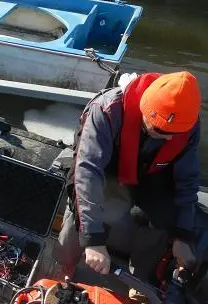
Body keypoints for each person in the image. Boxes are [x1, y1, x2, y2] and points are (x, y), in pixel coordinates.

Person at [57, 71, 201, 281]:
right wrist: (93, 240)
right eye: (161, 130)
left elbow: (187, 180)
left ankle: (141, 278)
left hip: (151, 171)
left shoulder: (186, 125)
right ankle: (65, 264)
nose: (170, 137)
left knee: (165, 217)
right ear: (145, 111)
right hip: (109, 166)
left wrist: (183, 235)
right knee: (79, 201)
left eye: (176, 133)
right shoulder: (106, 110)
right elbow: (87, 171)